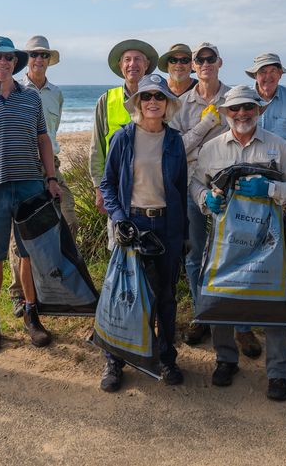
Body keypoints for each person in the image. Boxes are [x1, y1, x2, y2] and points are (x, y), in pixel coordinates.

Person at [190, 85, 286, 401]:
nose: (242, 114)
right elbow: (196, 183)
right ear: (226, 113)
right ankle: (226, 360)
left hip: (268, 245)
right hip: (225, 245)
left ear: (258, 111)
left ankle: (277, 373)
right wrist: (204, 198)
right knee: (220, 299)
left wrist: (270, 190)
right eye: (235, 109)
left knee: (273, 306)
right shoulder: (212, 149)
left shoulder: (278, 147)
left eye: (248, 108)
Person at [0, 37, 63, 353]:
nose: (3, 64)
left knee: (27, 253)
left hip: (30, 185)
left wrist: (51, 178)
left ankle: (32, 315)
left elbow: (43, 140)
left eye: (8, 59)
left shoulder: (31, 100)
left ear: (14, 64)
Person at [99, 73, 188, 392]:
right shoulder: (123, 137)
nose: (152, 102)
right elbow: (107, 184)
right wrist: (119, 218)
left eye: (159, 97)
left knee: (165, 296)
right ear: (138, 102)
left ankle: (166, 358)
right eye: (147, 96)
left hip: (167, 226)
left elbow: (180, 187)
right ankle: (115, 360)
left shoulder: (175, 140)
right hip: (132, 226)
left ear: (167, 104)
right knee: (125, 295)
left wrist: (184, 234)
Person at [6, 35, 77, 318]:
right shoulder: (15, 89)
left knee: (68, 217)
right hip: (23, 165)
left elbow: (52, 131)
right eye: (34, 54)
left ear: (49, 60)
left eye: (44, 55)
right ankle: (19, 294)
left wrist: (51, 170)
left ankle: (54, 281)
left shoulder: (55, 93)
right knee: (20, 232)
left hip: (52, 165)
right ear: (27, 58)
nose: (39, 59)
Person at [170, 42, 231, 347]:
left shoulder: (234, 99)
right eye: (199, 60)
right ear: (193, 67)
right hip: (193, 185)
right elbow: (177, 149)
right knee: (195, 254)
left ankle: (237, 322)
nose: (205, 64)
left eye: (210, 59)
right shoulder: (182, 105)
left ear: (220, 62)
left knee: (232, 253)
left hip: (231, 188)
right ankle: (201, 313)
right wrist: (207, 125)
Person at [88, 39, 159, 214]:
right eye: (127, 59)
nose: (132, 64)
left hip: (153, 189)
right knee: (118, 238)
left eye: (138, 59)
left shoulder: (159, 99)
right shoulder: (106, 100)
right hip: (115, 189)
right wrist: (99, 188)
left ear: (147, 64)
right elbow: (97, 147)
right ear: (120, 66)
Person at [247, 52, 286, 144]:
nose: (268, 76)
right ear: (255, 75)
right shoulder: (243, 99)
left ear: (280, 74)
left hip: (284, 157)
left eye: (273, 71)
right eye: (263, 71)